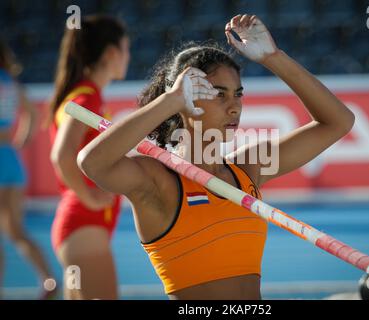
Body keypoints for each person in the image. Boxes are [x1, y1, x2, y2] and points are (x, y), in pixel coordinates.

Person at [77, 14, 354, 300]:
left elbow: (338, 123)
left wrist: (274, 58)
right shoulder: (157, 181)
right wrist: (170, 101)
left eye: (238, 95)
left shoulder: (248, 167)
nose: (234, 108)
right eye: (219, 95)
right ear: (185, 99)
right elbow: (92, 162)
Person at [47, 15, 129, 300]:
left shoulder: (88, 96)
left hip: (83, 232)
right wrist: (89, 198)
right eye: (126, 48)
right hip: (83, 229)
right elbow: (61, 155)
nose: (128, 56)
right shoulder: (87, 99)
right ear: (110, 53)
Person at [0, 38, 56, 299]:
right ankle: (48, 280)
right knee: (15, 230)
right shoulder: (12, 83)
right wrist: (20, 141)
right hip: (11, 159)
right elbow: (32, 114)